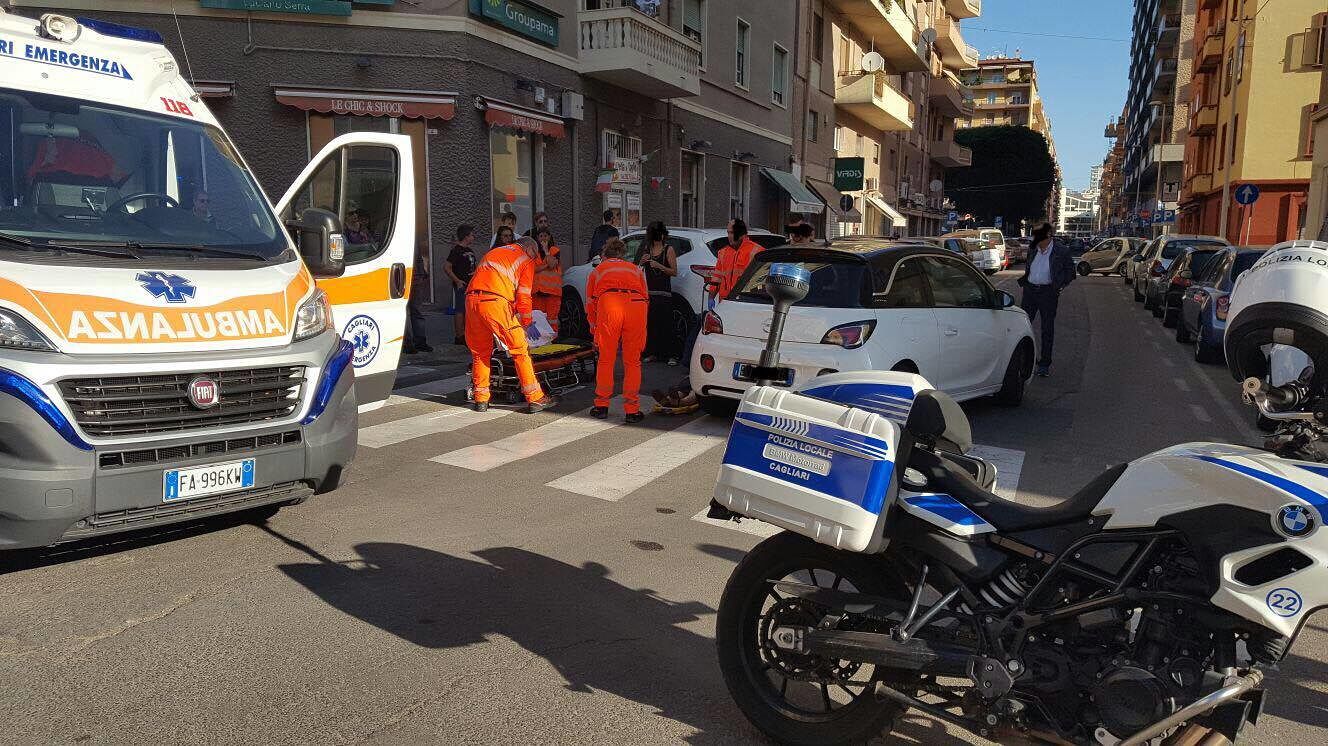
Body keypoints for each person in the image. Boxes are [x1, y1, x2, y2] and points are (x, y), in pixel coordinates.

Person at [465, 236, 558, 414]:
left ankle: (481, 399)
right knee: (519, 349)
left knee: (480, 352)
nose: (535, 260)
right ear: (530, 249)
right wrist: (528, 323)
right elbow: (524, 295)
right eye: (535, 255)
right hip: (495, 302)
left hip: (472, 301)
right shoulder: (525, 259)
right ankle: (535, 398)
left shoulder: (495, 252)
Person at [587, 238, 649, 423]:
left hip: (610, 305)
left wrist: (594, 329)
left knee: (606, 359)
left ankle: (601, 406)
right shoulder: (635, 269)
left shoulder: (598, 271)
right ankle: (632, 409)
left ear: (605, 254)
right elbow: (646, 298)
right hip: (636, 306)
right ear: (622, 254)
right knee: (633, 361)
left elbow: (591, 303)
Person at [1018, 222, 1076, 377]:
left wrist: (1059, 286)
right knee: (1022, 326)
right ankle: (1022, 360)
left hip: (1048, 293)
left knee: (1047, 329)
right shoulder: (1032, 249)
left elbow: (1071, 272)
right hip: (1030, 291)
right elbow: (1029, 268)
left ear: (1049, 235)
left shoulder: (1061, 251)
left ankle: (1044, 364)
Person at [638, 221, 679, 365]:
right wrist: (642, 262)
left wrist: (660, 266)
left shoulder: (669, 250)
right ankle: (652, 353)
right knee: (652, 325)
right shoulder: (647, 249)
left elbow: (674, 271)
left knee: (667, 325)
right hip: (650, 293)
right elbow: (638, 269)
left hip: (664, 294)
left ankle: (671, 355)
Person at [444, 224, 478, 346]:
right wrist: (457, 281)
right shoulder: (456, 250)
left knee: (469, 310)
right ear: (466, 236)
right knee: (460, 309)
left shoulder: (470, 250)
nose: (474, 237)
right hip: (462, 284)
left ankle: (467, 333)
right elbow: (447, 267)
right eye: (472, 235)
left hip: (471, 284)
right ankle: (459, 335)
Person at [403, 239, 433, 355]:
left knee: (417, 310)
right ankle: (407, 343)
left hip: (415, 275)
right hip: (404, 275)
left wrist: (422, 273)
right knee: (407, 311)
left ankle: (419, 341)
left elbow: (419, 256)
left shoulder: (412, 237)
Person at [532, 226, 563, 334]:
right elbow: (533, 269)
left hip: (552, 292)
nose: (543, 238)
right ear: (537, 238)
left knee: (552, 320)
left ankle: (553, 342)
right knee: (538, 319)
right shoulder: (534, 252)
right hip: (537, 292)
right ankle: (541, 343)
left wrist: (546, 250)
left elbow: (551, 264)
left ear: (549, 237)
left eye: (545, 236)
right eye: (541, 236)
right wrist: (545, 266)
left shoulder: (554, 250)